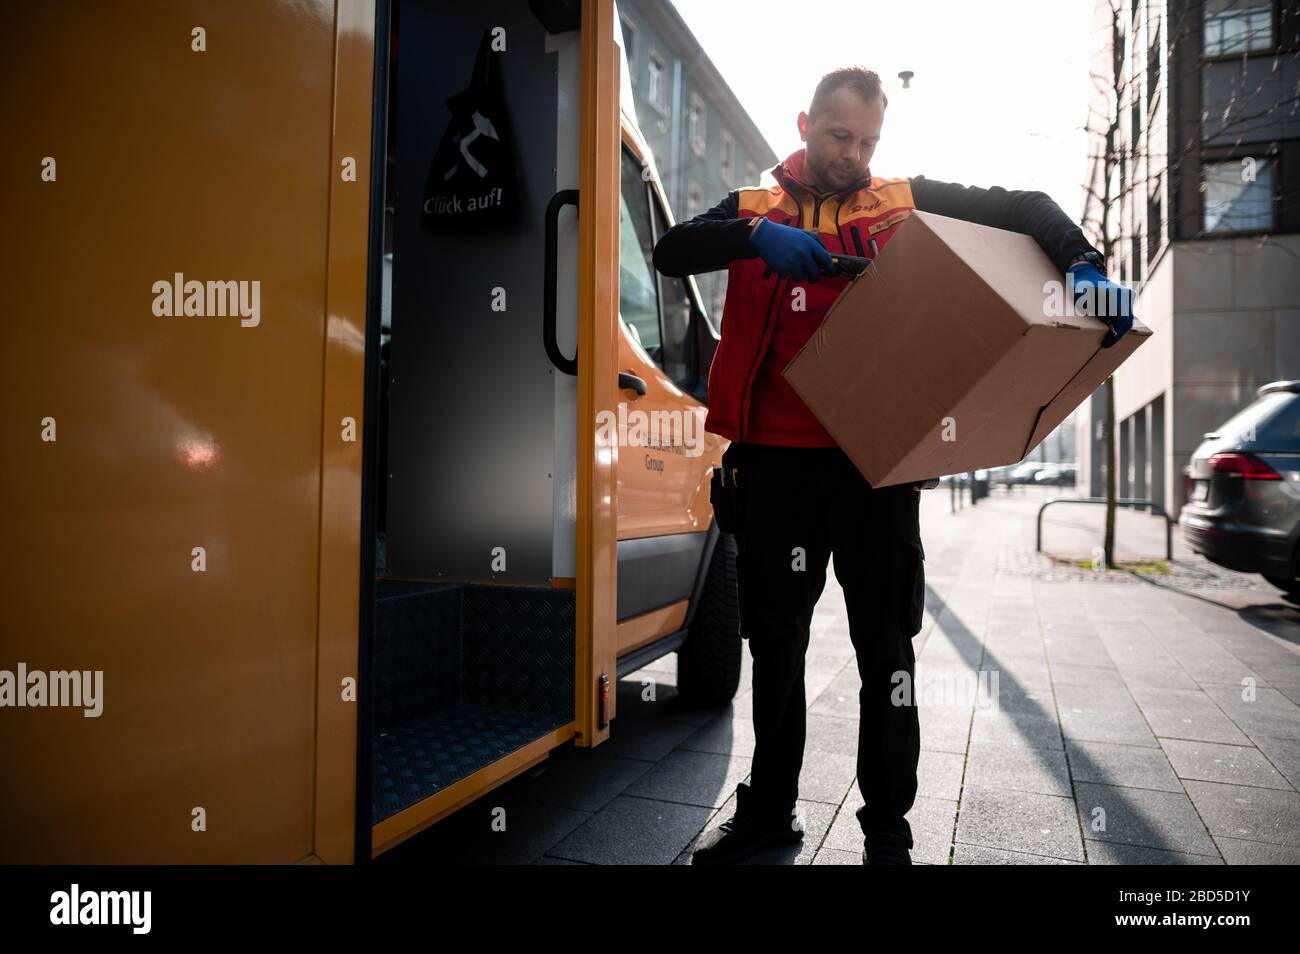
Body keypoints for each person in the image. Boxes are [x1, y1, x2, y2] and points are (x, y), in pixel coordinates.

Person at [653, 66, 1133, 865]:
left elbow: (1021, 208)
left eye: (869, 141)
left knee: (888, 655)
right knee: (775, 650)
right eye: (840, 137)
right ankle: (769, 813)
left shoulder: (900, 200)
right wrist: (754, 239)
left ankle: (889, 832)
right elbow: (671, 250)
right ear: (804, 122)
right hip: (773, 470)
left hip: (877, 469)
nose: (854, 155)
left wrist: (1080, 261)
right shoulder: (751, 209)